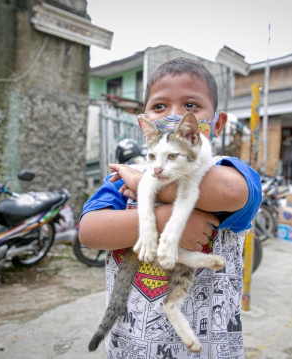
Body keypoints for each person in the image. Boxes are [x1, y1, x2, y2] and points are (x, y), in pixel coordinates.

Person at [79, 57, 261, 358]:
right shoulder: (123, 176)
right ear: (146, 125)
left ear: (217, 123)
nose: (176, 115)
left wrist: (144, 186)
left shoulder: (228, 171)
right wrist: (162, 218)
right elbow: (89, 232)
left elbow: (229, 192)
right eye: (160, 106)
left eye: (191, 105)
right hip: (132, 346)